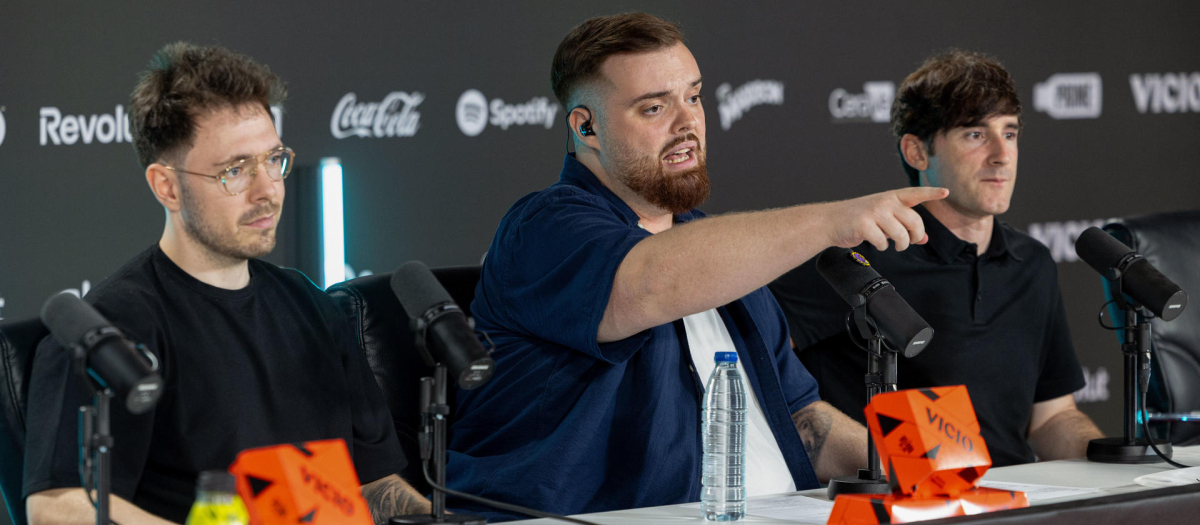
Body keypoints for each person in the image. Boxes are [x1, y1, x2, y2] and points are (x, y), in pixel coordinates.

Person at [446, 12, 948, 521]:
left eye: (693, 96)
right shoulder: (542, 227)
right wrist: (831, 221)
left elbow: (800, 419)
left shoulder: (717, 250)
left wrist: (922, 468)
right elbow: (648, 284)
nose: (688, 123)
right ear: (587, 127)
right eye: (654, 108)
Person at [23, 43, 430, 525]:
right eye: (234, 171)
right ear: (167, 187)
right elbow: (56, 505)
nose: (268, 190)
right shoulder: (109, 331)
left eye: (273, 159)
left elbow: (373, 483)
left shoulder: (313, 307)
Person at [770, 50, 1104, 467]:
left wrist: (1111, 461)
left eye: (1010, 133)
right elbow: (757, 370)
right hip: (901, 503)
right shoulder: (857, 259)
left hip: (1015, 504)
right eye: (975, 135)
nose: (1002, 154)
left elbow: (1053, 417)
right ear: (917, 152)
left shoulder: (1032, 262)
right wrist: (880, 457)